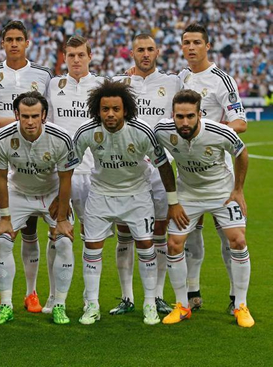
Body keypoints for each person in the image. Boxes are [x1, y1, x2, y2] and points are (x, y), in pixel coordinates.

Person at [73, 80, 186, 325]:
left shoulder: (142, 131)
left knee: (146, 245)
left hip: (136, 195)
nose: (110, 114)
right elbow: (69, 166)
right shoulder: (86, 131)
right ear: (97, 110)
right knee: (92, 248)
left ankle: (149, 303)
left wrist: (173, 201)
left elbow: (163, 165)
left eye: (115, 109)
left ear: (126, 109)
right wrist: (66, 207)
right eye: (105, 109)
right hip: (101, 194)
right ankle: (91, 304)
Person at [154, 89, 254, 327]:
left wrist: (238, 190)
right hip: (188, 194)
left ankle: (241, 304)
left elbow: (242, 153)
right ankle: (182, 305)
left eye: (190, 116)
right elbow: (162, 164)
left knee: (238, 240)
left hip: (221, 193)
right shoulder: (162, 131)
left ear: (200, 114)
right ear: (173, 114)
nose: (185, 122)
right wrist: (173, 201)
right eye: (180, 116)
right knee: (174, 244)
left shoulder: (221, 132)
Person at [0, 20, 53, 314]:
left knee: (31, 229)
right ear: (2, 42)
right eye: (8, 39)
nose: (13, 44)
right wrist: (18, 122)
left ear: (27, 42)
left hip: (31, 164)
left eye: (18, 39)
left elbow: (51, 115)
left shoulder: (44, 75)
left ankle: (31, 292)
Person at [0, 91, 78, 325]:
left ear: (44, 115)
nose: (29, 121)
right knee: (4, 240)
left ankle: (59, 304)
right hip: (18, 192)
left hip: (52, 193)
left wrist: (62, 216)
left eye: (35, 116)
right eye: (24, 116)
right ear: (16, 114)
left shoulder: (61, 137)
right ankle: (6, 304)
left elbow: (66, 177)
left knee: (65, 241)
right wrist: (5, 216)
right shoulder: (1, 138)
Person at [110, 34, 180, 315]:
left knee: (160, 230)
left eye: (150, 49)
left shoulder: (174, 81)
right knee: (125, 231)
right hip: (130, 167)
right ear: (131, 53)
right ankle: (127, 297)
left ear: (158, 52)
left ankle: (159, 295)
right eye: (141, 50)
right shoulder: (118, 83)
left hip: (163, 166)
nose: (146, 54)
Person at [179, 23, 247, 312]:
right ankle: (192, 293)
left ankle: (236, 299)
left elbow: (240, 122)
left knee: (229, 235)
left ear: (208, 46)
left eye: (196, 42)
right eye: (186, 42)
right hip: (187, 174)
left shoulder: (221, 79)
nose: (191, 47)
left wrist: (212, 130)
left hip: (218, 172)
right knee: (190, 235)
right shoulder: (180, 77)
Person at [45, 35, 105, 313]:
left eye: (81, 55)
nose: (76, 60)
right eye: (71, 56)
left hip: (95, 173)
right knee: (57, 236)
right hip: (62, 174)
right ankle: (54, 297)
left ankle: (90, 300)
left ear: (90, 56)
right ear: (64, 58)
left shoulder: (103, 85)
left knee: (92, 238)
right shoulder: (53, 85)